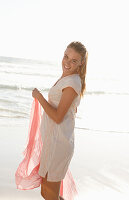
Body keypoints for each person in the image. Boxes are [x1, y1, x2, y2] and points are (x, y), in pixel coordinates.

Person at [32, 41, 88, 200]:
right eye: (66, 57)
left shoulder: (72, 82)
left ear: (81, 63)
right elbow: (70, 110)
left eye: (74, 61)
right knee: (47, 193)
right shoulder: (68, 78)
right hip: (53, 141)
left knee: (50, 195)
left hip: (58, 145)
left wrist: (39, 97)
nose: (67, 62)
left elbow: (58, 117)